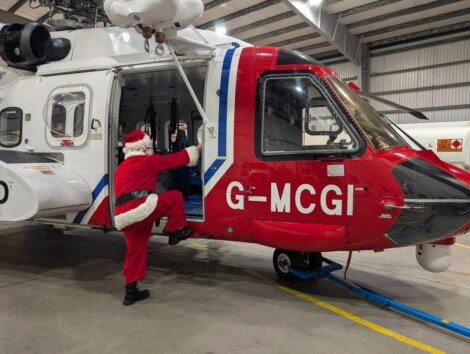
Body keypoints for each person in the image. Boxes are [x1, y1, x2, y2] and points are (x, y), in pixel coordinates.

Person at [114, 129, 201, 305]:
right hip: (142, 208)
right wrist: (199, 148)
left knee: (134, 251)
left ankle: (130, 291)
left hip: (124, 216)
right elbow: (175, 159)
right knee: (175, 196)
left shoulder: (121, 167)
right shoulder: (149, 161)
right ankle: (175, 230)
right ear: (144, 147)